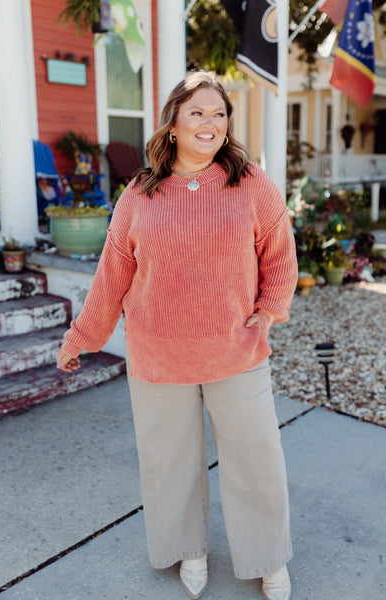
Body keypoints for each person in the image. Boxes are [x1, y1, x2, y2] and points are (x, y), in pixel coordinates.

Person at [57, 71, 298, 600]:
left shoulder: (250, 182)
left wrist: (269, 311)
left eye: (219, 114)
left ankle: (266, 557)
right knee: (171, 461)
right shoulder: (140, 194)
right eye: (197, 113)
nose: (210, 123)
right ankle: (188, 549)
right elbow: (112, 275)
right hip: (158, 353)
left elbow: (279, 252)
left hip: (236, 350)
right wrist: (79, 337)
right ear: (173, 125)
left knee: (256, 458)